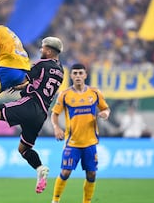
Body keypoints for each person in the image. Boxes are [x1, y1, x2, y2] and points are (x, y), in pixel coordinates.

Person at [0, 36, 65, 194]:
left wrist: (1, 87)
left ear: (49, 51)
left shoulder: (42, 64)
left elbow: (23, 80)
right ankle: (40, 168)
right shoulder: (61, 71)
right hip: (42, 113)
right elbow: (36, 83)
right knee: (24, 149)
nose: (41, 50)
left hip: (30, 103)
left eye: (43, 48)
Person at [50, 63, 110, 203]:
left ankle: (86, 202)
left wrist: (105, 114)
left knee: (91, 174)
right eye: (75, 73)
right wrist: (56, 128)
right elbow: (54, 114)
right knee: (65, 172)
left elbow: (106, 109)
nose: (78, 76)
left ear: (85, 75)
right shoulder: (64, 95)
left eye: (80, 73)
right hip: (72, 142)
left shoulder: (95, 93)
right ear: (71, 76)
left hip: (90, 142)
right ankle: (55, 200)